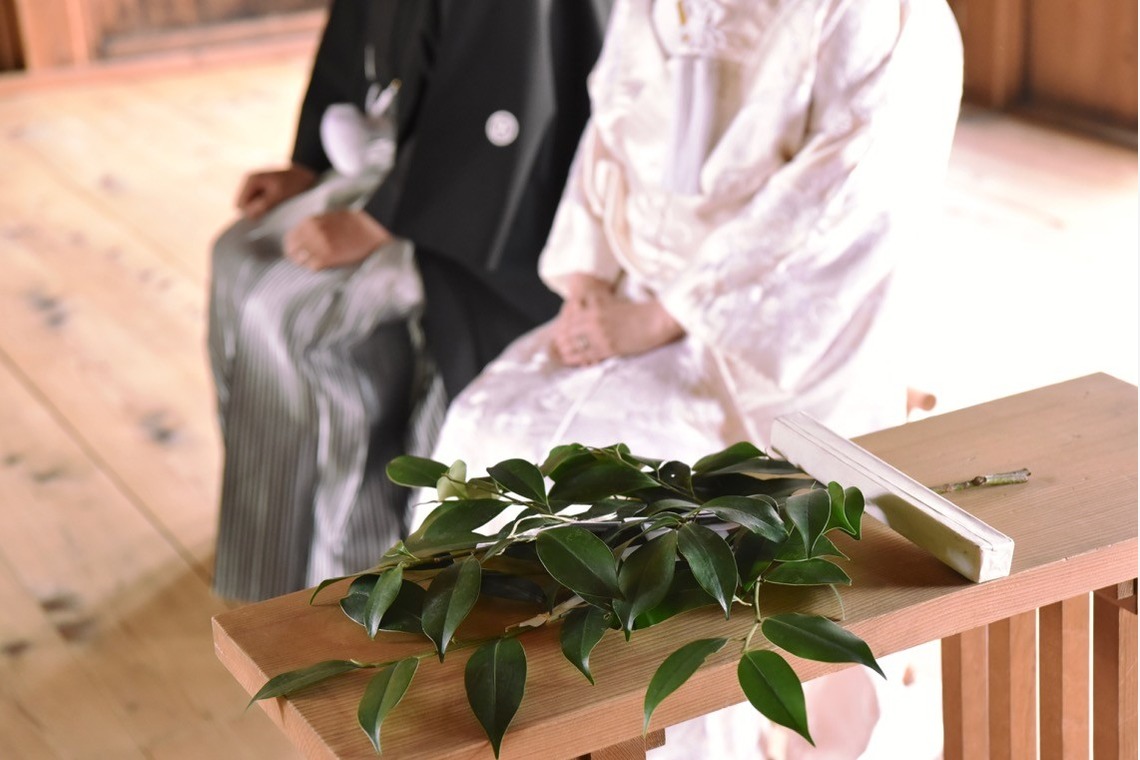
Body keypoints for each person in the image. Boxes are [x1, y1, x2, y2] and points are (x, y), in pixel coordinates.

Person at [422, 0, 964, 757]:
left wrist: (670, 314)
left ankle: (682, 732)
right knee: (487, 426)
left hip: (774, 335)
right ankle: (504, 718)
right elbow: (608, 129)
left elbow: (848, 189)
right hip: (634, 297)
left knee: (651, 487)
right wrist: (588, 285)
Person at [207, 0, 611, 602]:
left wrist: (379, 220)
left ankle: (346, 564)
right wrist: (309, 163)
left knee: (292, 312)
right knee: (238, 259)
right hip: (398, 158)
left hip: (499, 198)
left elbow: (510, 84)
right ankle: (276, 556)